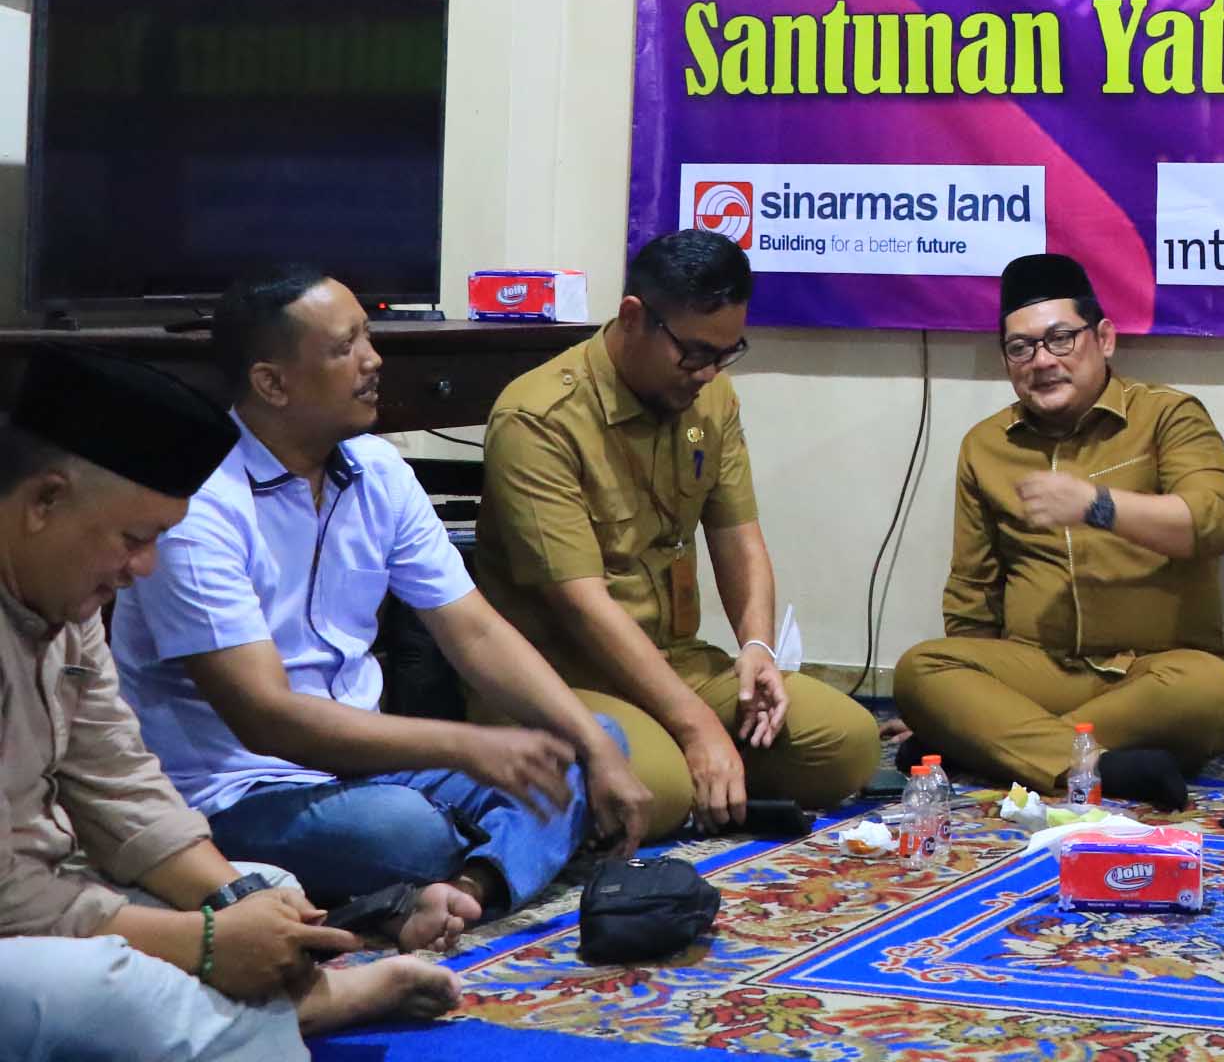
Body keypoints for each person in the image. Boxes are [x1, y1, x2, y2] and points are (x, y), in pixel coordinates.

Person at [113, 269, 655, 930]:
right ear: (272, 383)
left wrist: (590, 747)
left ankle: (468, 888)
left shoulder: (378, 470)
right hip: (241, 793)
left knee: (591, 739)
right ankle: (463, 861)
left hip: (369, 769)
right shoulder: (199, 506)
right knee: (403, 832)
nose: (373, 360)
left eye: (367, 337)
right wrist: (463, 746)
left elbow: (475, 632)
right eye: (345, 348)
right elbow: (267, 719)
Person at [2, 345, 459, 1062]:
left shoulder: (63, 597)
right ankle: (305, 1011)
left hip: (50, 890)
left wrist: (233, 898)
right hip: (17, 917)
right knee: (105, 991)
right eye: (134, 539)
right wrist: (204, 943)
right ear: (45, 501)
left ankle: (280, 1008)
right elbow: (8, 898)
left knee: (270, 891)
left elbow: (117, 781)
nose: (144, 568)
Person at [477, 230, 879, 838]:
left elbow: (740, 536)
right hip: (562, 678)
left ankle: (700, 773)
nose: (709, 372)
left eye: (726, 353)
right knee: (658, 791)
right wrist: (697, 726)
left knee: (847, 742)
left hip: (676, 664)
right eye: (694, 353)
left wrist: (757, 649)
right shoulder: (537, 421)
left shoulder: (711, 398)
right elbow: (581, 606)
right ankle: (678, 769)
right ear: (633, 317)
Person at [891, 253, 1224, 810]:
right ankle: (1099, 764)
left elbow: (1213, 523)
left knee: (1212, 690)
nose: (1041, 361)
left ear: (1104, 339)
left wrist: (1096, 506)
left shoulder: (1168, 415)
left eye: (1060, 339)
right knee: (921, 671)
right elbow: (973, 590)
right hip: (1042, 669)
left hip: (1154, 673)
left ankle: (1004, 745)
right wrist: (964, 692)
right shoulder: (986, 445)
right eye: (1020, 347)